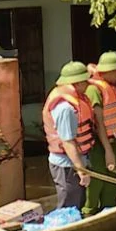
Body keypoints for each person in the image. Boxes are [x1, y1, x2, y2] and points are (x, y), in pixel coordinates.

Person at [43, 61, 95, 209]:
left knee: (78, 201)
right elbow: (68, 141)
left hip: (74, 161)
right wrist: (81, 170)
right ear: (77, 83)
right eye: (85, 81)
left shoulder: (74, 99)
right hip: (66, 165)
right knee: (69, 204)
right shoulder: (65, 108)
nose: (87, 84)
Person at [83, 52, 116, 216]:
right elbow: (99, 123)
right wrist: (108, 150)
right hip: (98, 143)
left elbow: (114, 122)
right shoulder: (94, 89)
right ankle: (89, 211)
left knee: (113, 177)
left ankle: (109, 209)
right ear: (107, 71)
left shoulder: (111, 88)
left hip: (112, 139)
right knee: (97, 179)